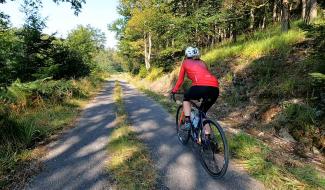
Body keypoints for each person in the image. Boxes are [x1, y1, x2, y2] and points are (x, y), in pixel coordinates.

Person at [171, 46, 219, 135]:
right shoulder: (203, 63)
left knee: (186, 98)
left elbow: (180, 79)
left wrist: (174, 90)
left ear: (186, 55)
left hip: (200, 86)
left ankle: (188, 121)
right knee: (203, 113)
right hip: (215, 88)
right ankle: (208, 139)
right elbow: (205, 75)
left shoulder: (185, 62)